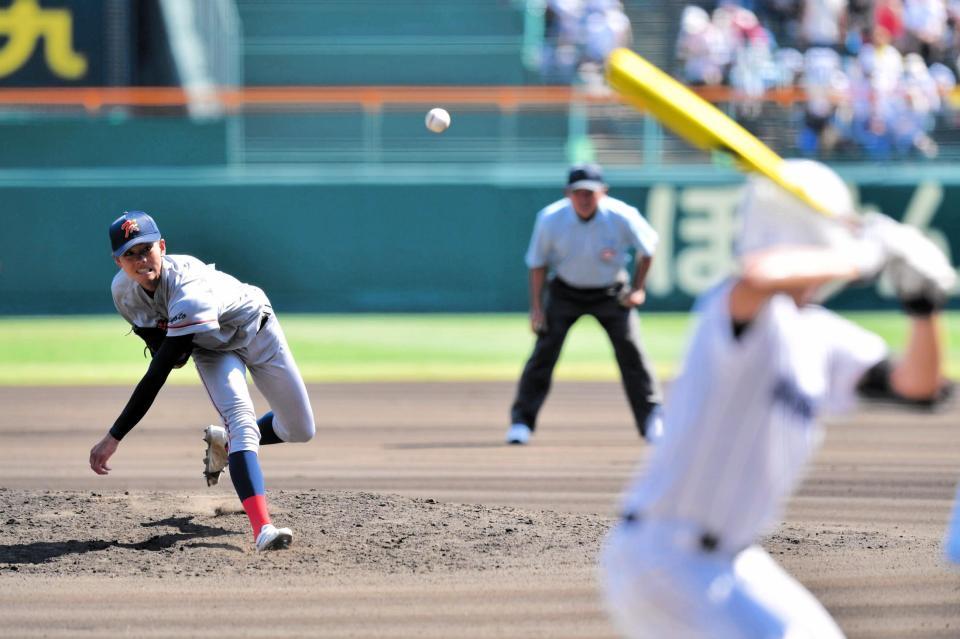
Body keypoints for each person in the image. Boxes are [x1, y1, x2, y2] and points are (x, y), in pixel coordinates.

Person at [599, 160, 954, 638]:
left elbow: (919, 386)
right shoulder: (736, 310)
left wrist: (922, 304)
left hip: (733, 560)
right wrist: (867, 256)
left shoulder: (820, 335)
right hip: (663, 558)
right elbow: (759, 276)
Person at [88, 211, 316, 552]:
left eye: (146, 248)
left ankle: (225, 444)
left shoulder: (188, 287)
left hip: (257, 330)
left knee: (300, 429)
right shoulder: (123, 293)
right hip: (212, 350)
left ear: (161, 247)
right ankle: (262, 528)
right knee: (242, 423)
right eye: (130, 254)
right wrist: (168, 342)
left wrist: (113, 436)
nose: (141, 259)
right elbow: (168, 352)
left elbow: (161, 371)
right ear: (117, 261)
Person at [506, 164, 662, 446]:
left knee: (632, 354)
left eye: (590, 192)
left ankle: (652, 419)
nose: (585, 198)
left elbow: (648, 248)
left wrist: (638, 288)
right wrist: (537, 307)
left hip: (611, 292)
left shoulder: (621, 216)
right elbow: (537, 263)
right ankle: (521, 422)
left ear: (603, 192)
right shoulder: (551, 219)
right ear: (568, 194)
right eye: (579, 193)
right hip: (565, 292)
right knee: (544, 353)